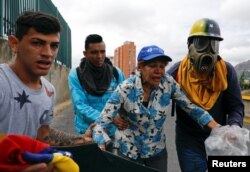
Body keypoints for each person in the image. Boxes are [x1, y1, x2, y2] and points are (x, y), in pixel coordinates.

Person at [92, 45, 220, 172]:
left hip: (157, 152)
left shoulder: (168, 83)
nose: (159, 71)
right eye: (153, 66)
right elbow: (102, 121)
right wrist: (101, 145)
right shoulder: (125, 89)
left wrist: (219, 129)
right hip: (128, 151)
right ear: (140, 67)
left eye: (162, 66)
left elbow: (190, 107)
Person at [0, 11, 93, 172]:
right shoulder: (2, 82)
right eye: (37, 43)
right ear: (14, 44)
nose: (48, 53)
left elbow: (43, 134)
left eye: (54, 46)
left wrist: (83, 139)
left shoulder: (49, 90)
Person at [167, 18, 244, 172]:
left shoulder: (226, 72)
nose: (208, 51)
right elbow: (154, 96)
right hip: (189, 139)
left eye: (213, 45)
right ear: (189, 46)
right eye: (201, 43)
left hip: (221, 137)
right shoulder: (176, 74)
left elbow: (235, 106)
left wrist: (234, 127)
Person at [68, 34, 127, 142]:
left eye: (102, 51)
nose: (99, 56)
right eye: (94, 52)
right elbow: (80, 105)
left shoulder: (116, 73)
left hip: (112, 131)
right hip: (87, 132)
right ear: (85, 54)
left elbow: (125, 99)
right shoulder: (76, 74)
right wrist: (110, 118)